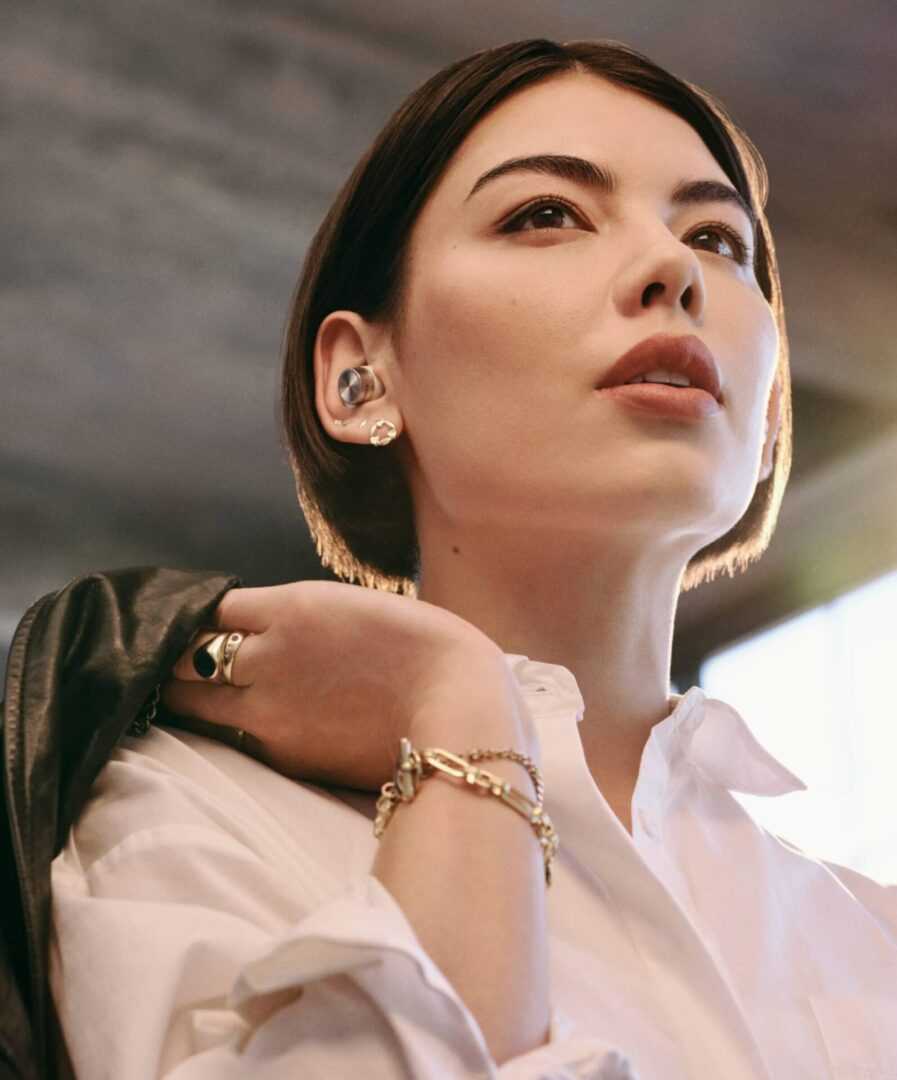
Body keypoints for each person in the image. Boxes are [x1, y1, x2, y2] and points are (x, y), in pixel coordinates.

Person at [37, 35, 896, 1080]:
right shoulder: (180, 821)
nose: (673, 270)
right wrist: (465, 714)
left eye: (717, 239)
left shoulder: (872, 942)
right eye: (546, 215)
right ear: (358, 377)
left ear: (765, 423)